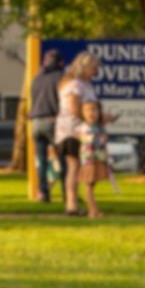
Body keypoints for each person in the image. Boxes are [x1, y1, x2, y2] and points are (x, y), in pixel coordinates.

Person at [55, 51, 101, 216]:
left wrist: (100, 117)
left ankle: (73, 204)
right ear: (84, 66)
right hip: (72, 131)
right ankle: (72, 205)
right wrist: (93, 117)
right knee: (74, 167)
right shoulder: (75, 85)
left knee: (76, 167)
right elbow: (73, 109)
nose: (96, 71)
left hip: (80, 130)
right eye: (93, 67)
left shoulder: (84, 84)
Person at [29, 49, 64, 202]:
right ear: (60, 63)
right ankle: (67, 193)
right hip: (52, 120)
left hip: (36, 122)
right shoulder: (60, 77)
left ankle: (43, 193)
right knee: (63, 158)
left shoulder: (36, 78)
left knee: (41, 160)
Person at [76, 101, 109, 219]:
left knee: (92, 185)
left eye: (94, 109)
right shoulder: (84, 127)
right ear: (82, 113)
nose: (91, 113)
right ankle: (93, 211)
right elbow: (90, 140)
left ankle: (93, 210)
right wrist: (99, 139)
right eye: (88, 110)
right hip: (89, 160)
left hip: (97, 159)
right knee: (89, 185)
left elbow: (102, 141)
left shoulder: (98, 127)